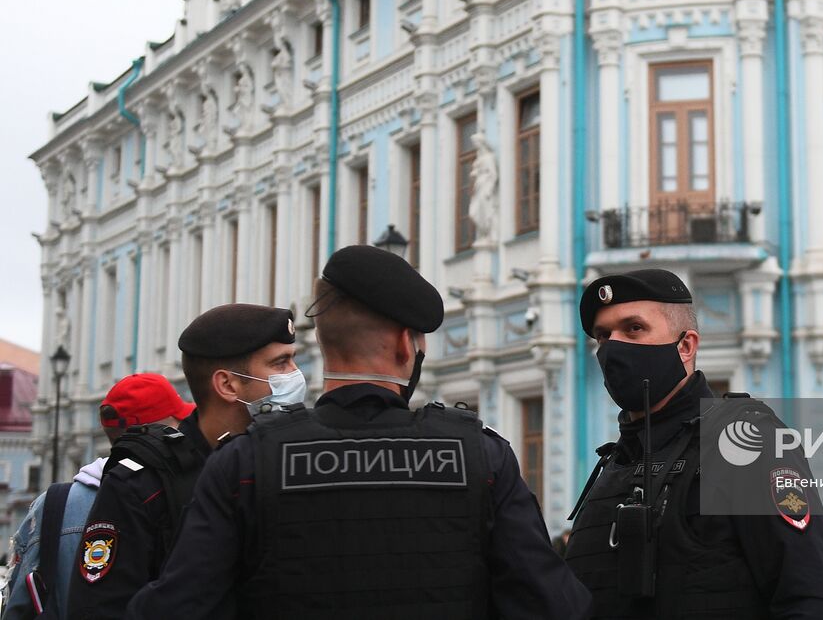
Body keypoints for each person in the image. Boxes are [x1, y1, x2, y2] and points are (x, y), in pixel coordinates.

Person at [125, 244, 590, 619]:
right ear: (406, 345)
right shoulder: (479, 457)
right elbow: (553, 603)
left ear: (324, 344)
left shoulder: (245, 462)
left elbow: (176, 605)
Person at [565, 269, 823, 619]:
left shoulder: (745, 443)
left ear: (686, 346)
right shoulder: (613, 466)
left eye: (634, 329)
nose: (613, 348)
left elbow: (810, 599)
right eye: (603, 336)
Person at [70, 304, 299, 620]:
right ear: (228, 385)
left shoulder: (287, 461)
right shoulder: (142, 484)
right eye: (281, 363)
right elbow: (100, 606)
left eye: (293, 360)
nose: (295, 375)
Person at [2, 374, 189, 620]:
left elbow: (17, 604)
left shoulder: (52, 504)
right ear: (156, 430)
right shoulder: (174, 495)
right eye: (178, 421)